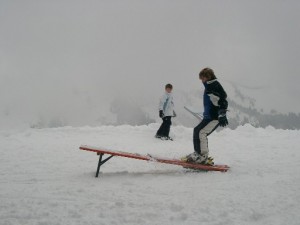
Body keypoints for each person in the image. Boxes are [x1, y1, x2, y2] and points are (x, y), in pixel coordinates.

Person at [182, 68, 228, 165]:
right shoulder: (209, 86)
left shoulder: (213, 86)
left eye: (202, 78)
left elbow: (223, 99)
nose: (201, 81)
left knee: (202, 132)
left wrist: (222, 114)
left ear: (208, 77)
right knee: (197, 130)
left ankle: (203, 156)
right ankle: (198, 153)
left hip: (214, 117)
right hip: (208, 117)